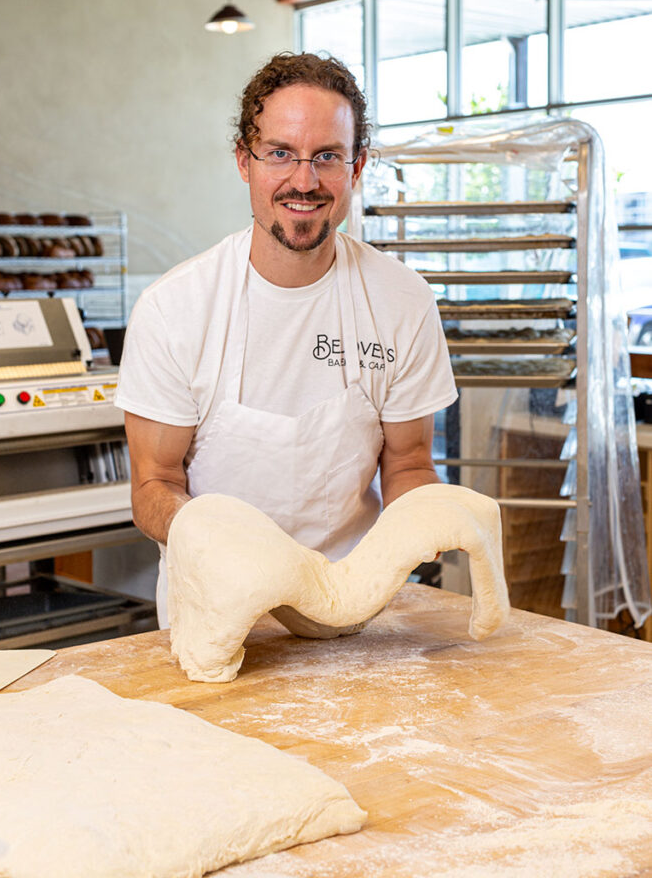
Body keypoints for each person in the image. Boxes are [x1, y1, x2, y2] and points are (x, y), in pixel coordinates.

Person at [115, 52, 457, 627]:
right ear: (244, 162)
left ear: (356, 166)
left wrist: (425, 524)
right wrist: (217, 543)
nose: (305, 181)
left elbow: (409, 463)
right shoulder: (175, 310)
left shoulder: (402, 301)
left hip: (359, 612)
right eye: (280, 154)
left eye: (327, 156)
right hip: (216, 614)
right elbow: (155, 484)